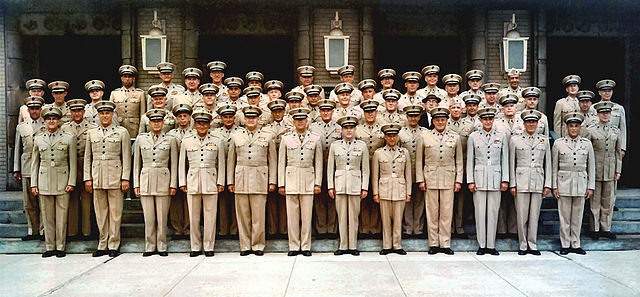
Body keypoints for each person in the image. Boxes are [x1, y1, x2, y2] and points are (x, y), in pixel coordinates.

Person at [227, 106, 277, 256]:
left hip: (260, 178)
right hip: (241, 178)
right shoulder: (236, 136)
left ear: (258, 119)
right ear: (244, 119)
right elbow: (231, 160)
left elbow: (272, 160)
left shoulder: (267, 136)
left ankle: (258, 245)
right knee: (243, 215)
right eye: (248, 117)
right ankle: (245, 245)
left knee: (258, 215)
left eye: (253, 117)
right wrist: (230, 181)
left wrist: (272, 181)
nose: (250, 120)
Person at [84, 101, 131, 258]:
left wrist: (125, 178)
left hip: (115, 177)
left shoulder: (122, 132)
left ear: (112, 114)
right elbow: (87, 158)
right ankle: (102, 244)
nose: (105, 115)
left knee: (115, 213)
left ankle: (114, 244)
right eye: (102, 113)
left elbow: (126, 157)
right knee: (100, 213)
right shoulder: (92, 133)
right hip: (97, 177)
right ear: (98, 115)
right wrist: (88, 179)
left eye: (108, 113)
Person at [416, 107, 463, 255]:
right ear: (433, 121)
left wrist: (458, 180)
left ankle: (445, 243)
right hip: (430, 178)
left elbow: (459, 161)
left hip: (448, 178)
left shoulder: (455, 137)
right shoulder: (425, 136)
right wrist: (420, 180)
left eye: (442, 119)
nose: (440, 122)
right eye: (437, 120)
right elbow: (419, 160)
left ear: (447, 120)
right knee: (432, 211)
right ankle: (434, 243)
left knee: (446, 212)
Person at [31, 106, 77, 257]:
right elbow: (35, 163)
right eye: (49, 119)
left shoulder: (68, 137)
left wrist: (71, 182)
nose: (51, 121)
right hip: (44, 181)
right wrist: (34, 184)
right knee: (47, 216)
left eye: (54, 119)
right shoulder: (38, 138)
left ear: (59, 121)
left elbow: (73, 162)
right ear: (44, 121)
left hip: (62, 181)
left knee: (62, 216)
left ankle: (60, 247)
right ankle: (49, 247)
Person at [179, 110, 225, 257]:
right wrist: (182, 182)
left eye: (205, 123)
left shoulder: (217, 141)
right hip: (192, 180)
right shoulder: (187, 141)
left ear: (209, 125)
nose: (202, 126)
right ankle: (195, 246)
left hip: (211, 181)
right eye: (199, 123)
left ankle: (209, 246)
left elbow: (221, 163)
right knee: (193, 217)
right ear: (195, 124)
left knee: (210, 216)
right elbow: (182, 164)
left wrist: (220, 181)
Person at [278, 108, 323, 257]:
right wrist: (281, 184)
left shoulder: (315, 139)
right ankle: (293, 245)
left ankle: (305, 246)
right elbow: (281, 162)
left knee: (306, 215)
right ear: (293, 121)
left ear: (307, 121)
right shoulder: (286, 139)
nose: (300, 122)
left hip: (308, 180)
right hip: (291, 179)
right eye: (297, 120)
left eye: (303, 119)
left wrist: (317, 183)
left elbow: (318, 163)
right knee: (292, 216)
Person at [133, 109, 178, 257]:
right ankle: (150, 246)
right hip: (146, 179)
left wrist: (173, 184)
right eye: (154, 121)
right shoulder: (141, 139)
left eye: (159, 121)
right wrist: (136, 184)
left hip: (163, 180)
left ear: (163, 123)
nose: (156, 124)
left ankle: (162, 245)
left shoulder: (170, 139)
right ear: (149, 123)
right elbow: (136, 164)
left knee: (162, 216)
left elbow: (174, 164)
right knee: (149, 216)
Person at [467, 107, 509, 255]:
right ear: (480, 120)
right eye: (485, 119)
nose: (487, 122)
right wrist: (470, 180)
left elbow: (505, 159)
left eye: (490, 119)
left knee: (493, 212)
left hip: (495, 178)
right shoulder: (473, 136)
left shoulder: (501, 136)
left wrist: (505, 179)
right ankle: (482, 245)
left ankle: (491, 245)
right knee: (480, 213)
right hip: (479, 178)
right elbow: (470, 160)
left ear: (493, 120)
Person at [509, 110, 551, 255]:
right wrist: (512, 184)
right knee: (521, 215)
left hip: (538, 180)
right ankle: (522, 244)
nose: (531, 124)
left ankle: (532, 244)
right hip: (521, 181)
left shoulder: (544, 140)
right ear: (524, 124)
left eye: (533, 122)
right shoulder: (515, 140)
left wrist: (548, 184)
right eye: (528, 122)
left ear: (538, 124)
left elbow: (548, 164)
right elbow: (511, 163)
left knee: (534, 215)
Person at [552, 112, 595, 255]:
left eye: (577, 126)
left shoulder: (587, 144)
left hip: (580, 183)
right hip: (563, 182)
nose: (574, 129)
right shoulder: (559, 144)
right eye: (571, 126)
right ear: (567, 127)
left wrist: (591, 186)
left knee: (577, 215)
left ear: (580, 127)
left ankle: (575, 243)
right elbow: (554, 167)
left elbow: (591, 167)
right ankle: (565, 244)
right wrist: (554, 186)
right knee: (564, 216)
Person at [327, 115, 369, 255]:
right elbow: (330, 168)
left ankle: (353, 246)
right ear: (342, 130)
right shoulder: (335, 145)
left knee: (353, 216)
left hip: (355, 184)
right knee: (342, 216)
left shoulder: (361, 146)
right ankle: (343, 245)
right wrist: (330, 186)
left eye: (351, 128)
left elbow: (365, 169)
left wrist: (365, 187)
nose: (349, 131)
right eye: (346, 128)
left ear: (355, 129)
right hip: (339, 184)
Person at [372, 123, 411, 255]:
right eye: (389, 136)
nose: (392, 139)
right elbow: (375, 174)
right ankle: (387, 245)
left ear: (398, 137)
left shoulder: (404, 152)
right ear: (385, 137)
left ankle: (397, 245)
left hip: (400, 188)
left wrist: (408, 192)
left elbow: (408, 174)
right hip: (384, 189)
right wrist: (375, 193)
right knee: (386, 219)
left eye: (394, 136)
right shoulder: (379, 153)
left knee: (398, 219)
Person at [61, 99, 97, 241]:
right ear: (70, 112)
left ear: (83, 112)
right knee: (72, 200)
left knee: (87, 201)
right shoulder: (64, 128)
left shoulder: (92, 127)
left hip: (86, 166)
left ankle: (87, 231)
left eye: (79, 111)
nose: (77, 113)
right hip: (69, 168)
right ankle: (72, 232)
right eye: (74, 111)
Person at [586, 101, 622, 240]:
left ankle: (605, 228)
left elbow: (618, 153)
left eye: (607, 113)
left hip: (610, 169)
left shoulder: (615, 130)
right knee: (595, 201)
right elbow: (588, 153)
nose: (605, 115)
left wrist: (618, 170)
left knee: (608, 200)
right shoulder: (591, 130)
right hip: (596, 169)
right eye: (603, 113)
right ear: (598, 114)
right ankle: (594, 228)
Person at [14, 96, 46, 241]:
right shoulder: (22, 126)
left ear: (41, 109)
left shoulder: (47, 124)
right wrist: (16, 169)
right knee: (29, 202)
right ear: (28, 110)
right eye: (32, 108)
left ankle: (43, 231)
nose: (34, 111)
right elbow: (17, 149)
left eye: (37, 108)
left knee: (43, 201)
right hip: (27, 166)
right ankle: (32, 230)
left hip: (43, 167)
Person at [310, 99, 341, 239]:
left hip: (335, 167)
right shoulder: (313, 127)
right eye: (323, 110)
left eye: (328, 110)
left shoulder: (339, 127)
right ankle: (321, 229)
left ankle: (333, 229)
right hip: (318, 166)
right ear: (319, 112)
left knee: (333, 197)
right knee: (319, 199)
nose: (326, 113)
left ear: (333, 112)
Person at [446, 97, 475, 238]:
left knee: (462, 200)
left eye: (458, 107)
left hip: (464, 166)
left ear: (462, 109)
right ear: (449, 109)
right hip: (448, 168)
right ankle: (449, 227)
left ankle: (460, 227)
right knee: (448, 199)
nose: (456, 110)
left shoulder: (469, 125)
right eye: (453, 108)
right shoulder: (444, 124)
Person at [262, 99, 291, 239]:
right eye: (275, 111)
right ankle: (273, 230)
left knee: (286, 198)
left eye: (280, 111)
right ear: (272, 113)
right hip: (270, 165)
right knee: (272, 200)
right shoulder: (266, 129)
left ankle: (285, 229)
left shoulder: (291, 127)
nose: (278, 114)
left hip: (287, 166)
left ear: (284, 112)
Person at [356, 100, 385, 238]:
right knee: (362, 198)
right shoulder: (358, 129)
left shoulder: (383, 128)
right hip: (361, 168)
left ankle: (375, 228)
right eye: (367, 112)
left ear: (376, 112)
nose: (370, 114)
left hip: (379, 168)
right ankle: (363, 228)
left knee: (377, 198)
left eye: (372, 111)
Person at [211, 104, 241, 238]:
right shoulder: (215, 133)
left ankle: (235, 229)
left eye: (230, 117)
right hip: (220, 169)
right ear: (221, 119)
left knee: (236, 202)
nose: (228, 120)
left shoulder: (241, 132)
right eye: (225, 117)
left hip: (237, 170)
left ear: (234, 118)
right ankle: (223, 230)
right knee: (222, 202)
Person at [399, 104, 428, 239]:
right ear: (406, 117)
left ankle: (418, 228)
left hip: (421, 171)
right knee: (407, 199)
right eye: (410, 116)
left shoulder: (425, 132)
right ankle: (407, 228)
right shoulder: (400, 132)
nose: (413, 118)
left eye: (416, 116)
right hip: (405, 171)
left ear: (420, 117)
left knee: (420, 200)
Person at [166, 104, 194, 239]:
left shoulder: (194, 133)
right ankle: (177, 228)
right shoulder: (171, 134)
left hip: (190, 168)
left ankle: (188, 228)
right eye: (180, 117)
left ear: (189, 118)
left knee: (189, 199)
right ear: (176, 118)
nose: (183, 119)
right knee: (175, 199)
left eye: (185, 116)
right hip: (174, 167)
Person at [109, 65, 145, 138]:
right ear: (122, 78)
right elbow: (111, 114)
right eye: (125, 76)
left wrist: (141, 131)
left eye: (129, 77)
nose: (127, 79)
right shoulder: (114, 93)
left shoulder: (140, 93)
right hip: (118, 126)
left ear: (133, 79)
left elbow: (142, 114)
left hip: (134, 128)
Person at [595, 79, 627, 156]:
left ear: (612, 92)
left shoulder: (619, 108)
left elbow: (623, 129)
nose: (607, 93)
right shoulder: (593, 108)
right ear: (599, 92)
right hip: (598, 144)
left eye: (609, 91)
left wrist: (623, 147)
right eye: (604, 91)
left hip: (614, 143)